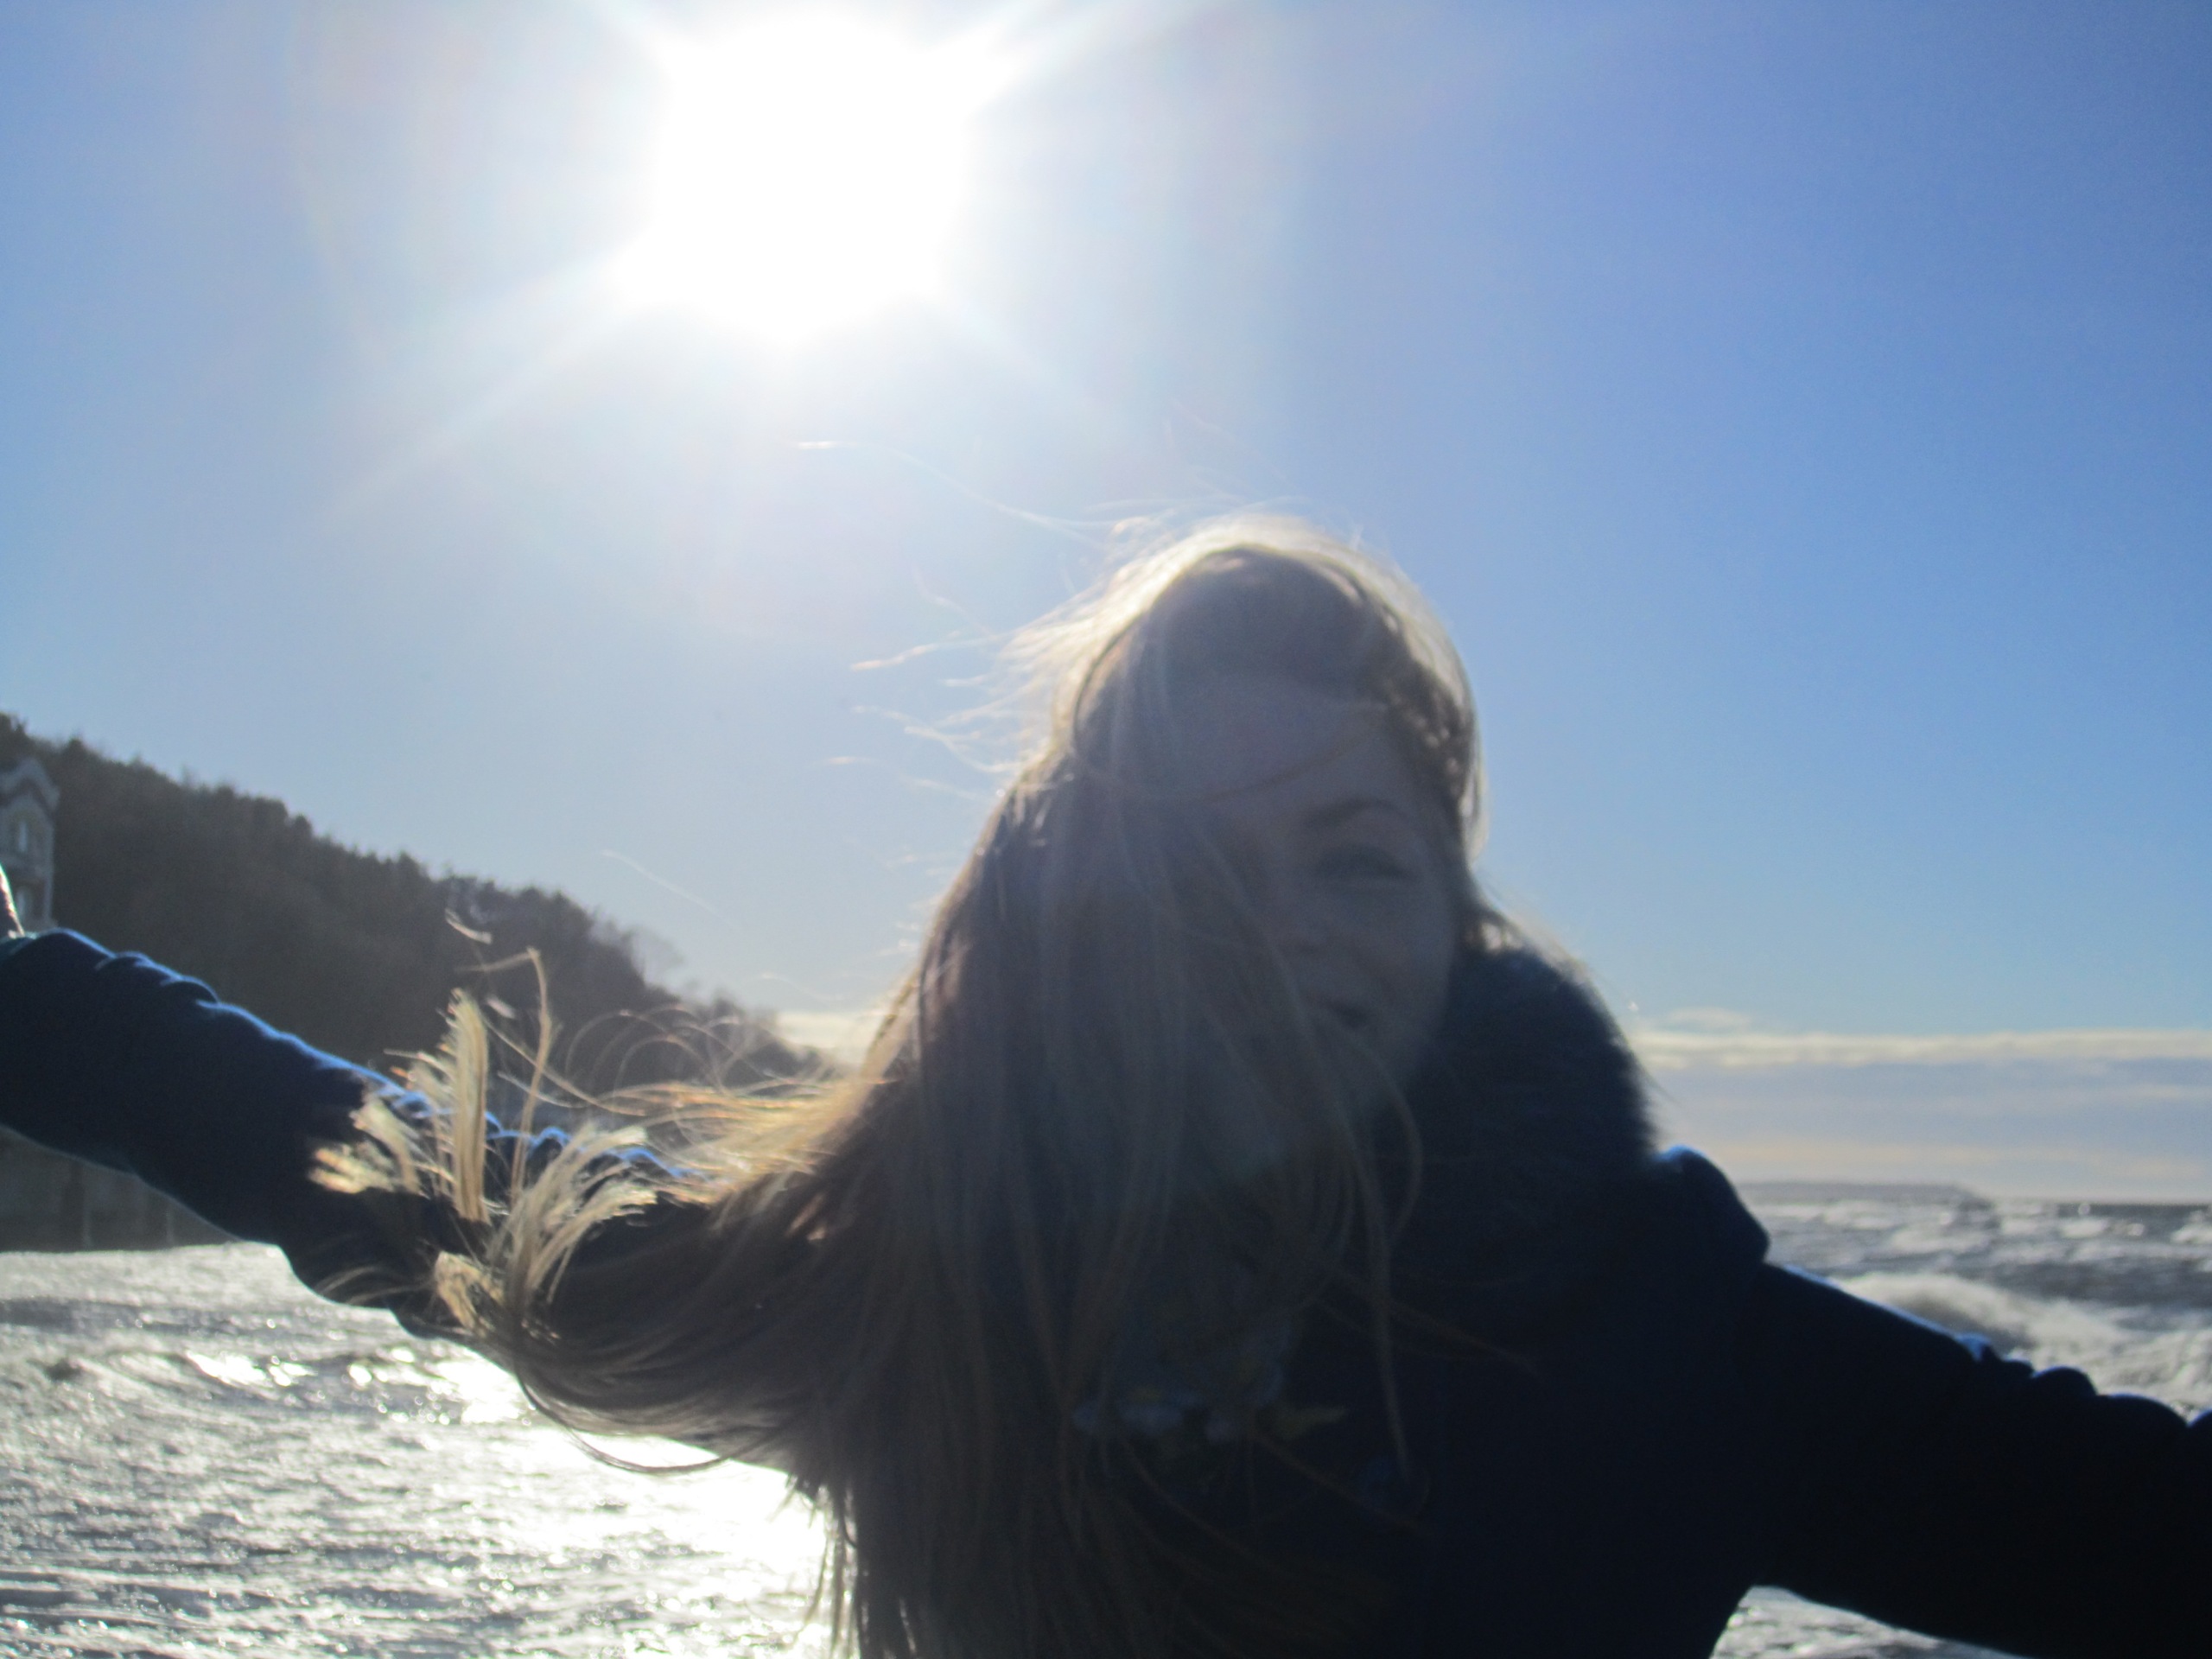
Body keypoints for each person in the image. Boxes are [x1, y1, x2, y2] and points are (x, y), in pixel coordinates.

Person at [0, 518, 2204, 1659]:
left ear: (1452, 923)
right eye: (1190, 872)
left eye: (1353, 861)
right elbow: (351, 1152)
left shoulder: (1664, 1344)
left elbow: (2136, 1537)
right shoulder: (896, 1287)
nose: (1278, 935)